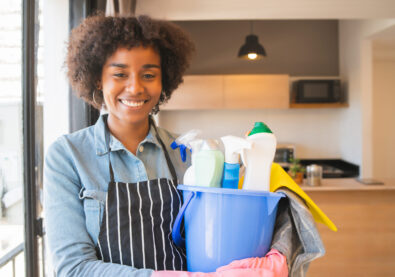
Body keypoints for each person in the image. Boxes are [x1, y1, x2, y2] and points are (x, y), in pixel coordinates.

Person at [44, 14, 288, 277]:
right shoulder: (68, 156)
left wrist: (279, 249)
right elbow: (73, 268)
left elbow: (233, 223)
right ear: (97, 79)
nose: (135, 87)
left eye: (148, 74)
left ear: (164, 81)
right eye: (119, 74)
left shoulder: (191, 152)